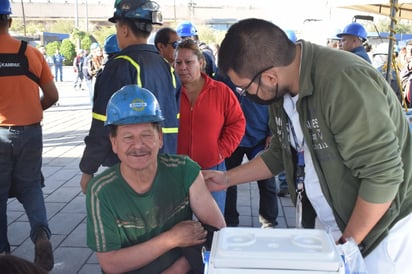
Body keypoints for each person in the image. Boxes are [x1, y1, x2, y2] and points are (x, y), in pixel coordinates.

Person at [203, 18, 412, 274]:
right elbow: (281, 153)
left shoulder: (344, 82)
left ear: (269, 76)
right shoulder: (282, 89)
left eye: (244, 89)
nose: (247, 96)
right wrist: (225, 178)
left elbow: (383, 176)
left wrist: (347, 246)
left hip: (382, 232)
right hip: (336, 226)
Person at [86, 85, 226, 274]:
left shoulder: (184, 169)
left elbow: (217, 231)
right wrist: (172, 238)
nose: (138, 146)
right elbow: (111, 264)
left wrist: (178, 268)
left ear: (160, 138)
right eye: (128, 137)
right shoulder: (101, 191)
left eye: (146, 135)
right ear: (114, 143)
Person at [79, 0, 180, 194]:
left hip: (131, 166)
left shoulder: (119, 66)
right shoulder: (167, 68)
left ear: (124, 29)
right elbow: (174, 119)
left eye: (117, 28)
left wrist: (88, 169)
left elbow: (101, 123)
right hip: (163, 163)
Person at [0, 0, 58, 271]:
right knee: (31, 186)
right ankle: (41, 236)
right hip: (32, 132)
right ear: (9, 21)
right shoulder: (31, 53)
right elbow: (53, 95)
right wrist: (32, 109)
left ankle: (2, 251)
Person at [175, 39, 246, 213]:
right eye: (178, 62)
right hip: (175, 171)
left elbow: (237, 122)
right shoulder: (171, 92)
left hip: (211, 168)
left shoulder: (220, 91)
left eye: (188, 62)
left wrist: (221, 151)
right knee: (177, 225)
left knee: (212, 224)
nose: (183, 67)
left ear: (201, 62)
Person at [215, 73, 278, 228]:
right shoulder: (224, 73)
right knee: (227, 181)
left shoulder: (263, 71)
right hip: (232, 137)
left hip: (260, 136)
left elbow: (275, 102)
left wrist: (272, 132)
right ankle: (230, 221)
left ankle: (269, 222)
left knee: (267, 182)